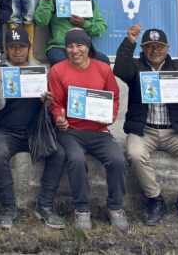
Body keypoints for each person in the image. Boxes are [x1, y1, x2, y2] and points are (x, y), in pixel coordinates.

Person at [113, 25, 178, 231]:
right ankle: (155, 200)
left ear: (168, 47)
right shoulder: (136, 67)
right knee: (135, 154)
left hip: (175, 131)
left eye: (160, 46)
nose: (155, 50)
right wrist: (129, 41)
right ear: (143, 48)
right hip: (144, 130)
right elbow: (119, 69)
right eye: (149, 46)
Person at [48, 28, 127, 231]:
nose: (75, 50)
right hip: (70, 132)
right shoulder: (57, 70)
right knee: (76, 159)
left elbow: (114, 96)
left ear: (88, 45)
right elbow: (55, 103)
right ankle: (82, 209)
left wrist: (111, 114)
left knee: (118, 160)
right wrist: (59, 117)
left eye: (80, 45)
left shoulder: (103, 69)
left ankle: (115, 207)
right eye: (70, 46)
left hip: (99, 131)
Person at [0, 28, 65, 229]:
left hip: (34, 131)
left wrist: (48, 101)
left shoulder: (41, 71)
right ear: (6, 50)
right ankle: (8, 206)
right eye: (13, 47)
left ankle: (45, 205)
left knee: (59, 154)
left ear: (28, 48)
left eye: (21, 47)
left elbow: (50, 106)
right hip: (7, 131)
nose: (17, 51)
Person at [34, 0, 110, 66]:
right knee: (63, 64)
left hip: (82, 48)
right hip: (60, 47)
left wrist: (84, 24)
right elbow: (40, 21)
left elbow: (102, 27)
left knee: (104, 62)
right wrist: (47, 1)